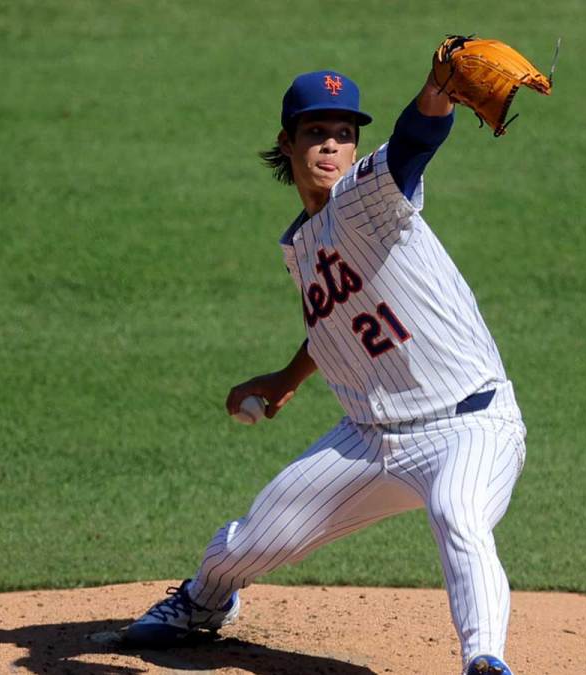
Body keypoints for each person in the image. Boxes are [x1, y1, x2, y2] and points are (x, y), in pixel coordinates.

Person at [123, 56, 527, 675]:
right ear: (286, 143)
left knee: (458, 513)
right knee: (257, 538)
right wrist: (283, 381)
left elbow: (416, 142)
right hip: (370, 439)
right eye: (315, 132)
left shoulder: (369, 196)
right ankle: (204, 601)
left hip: (470, 425)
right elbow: (334, 326)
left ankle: (485, 660)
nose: (331, 146)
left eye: (343, 133)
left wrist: (436, 91)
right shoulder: (301, 244)